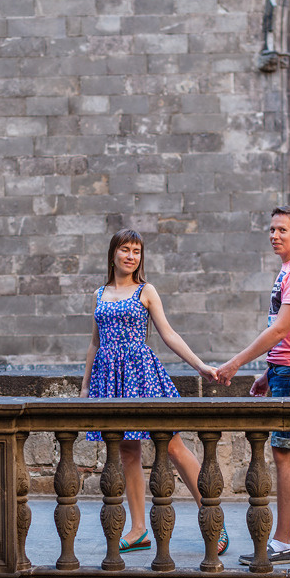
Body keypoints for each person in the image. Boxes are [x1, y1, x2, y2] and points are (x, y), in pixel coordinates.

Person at [81, 229, 228, 556]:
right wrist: (85, 386)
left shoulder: (146, 291)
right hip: (110, 378)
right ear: (113, 253)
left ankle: (213, 517)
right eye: (125, 249)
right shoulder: (100, 294)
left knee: (172, 444)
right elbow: (94, 343)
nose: (131, 256)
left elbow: (169, 334)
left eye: (136, 251)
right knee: (127, 452)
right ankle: (138, 530)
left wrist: (200, 366)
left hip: (141, 373)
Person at [215, 206, 290, 566]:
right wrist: (270, 371)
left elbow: (281, 329)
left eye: (282, 229)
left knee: (286, 453)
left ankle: (281, 542)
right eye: (271, 230)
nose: (274, 235)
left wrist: (236, 362)